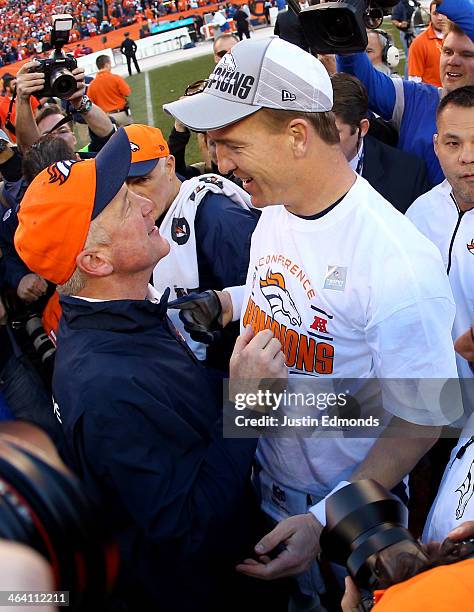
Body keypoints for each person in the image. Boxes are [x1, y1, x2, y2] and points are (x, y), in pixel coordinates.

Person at [164, 37, 460, 605]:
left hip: (343, 522)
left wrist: (323, 518)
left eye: (231, 144)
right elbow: (291, 304)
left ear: (297, 135)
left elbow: (425, 417)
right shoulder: (274, 211)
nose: (219, 163)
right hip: (266, 483)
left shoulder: (394, 259)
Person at [13, 127, 289, 612]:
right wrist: (249, 406)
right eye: (123, 203)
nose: (145, 205)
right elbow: (188, 526)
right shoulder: (106, 384)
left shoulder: (123, 318)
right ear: (95, 261)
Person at [124, 123, 258, 365]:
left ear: (169, 166)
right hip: (191, 366)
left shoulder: (218, 217)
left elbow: (264, 298)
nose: (135, 195)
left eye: (143, 179)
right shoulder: (150, 216)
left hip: (232, 369)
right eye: (125, 184)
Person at [406, 86, 474, 542]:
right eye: (453, 143)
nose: (467, 157)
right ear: (436, 146)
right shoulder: (418, 215)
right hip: (427, 406)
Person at [338, 0, 474, 185]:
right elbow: (360, 81)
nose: (453, 61)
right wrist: (347, 21)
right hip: (411, 212)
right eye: (448, 52)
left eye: (467, 55)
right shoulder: (414, 98)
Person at [331, 72, 431, 213]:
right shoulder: (295, 166)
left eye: (334, 133)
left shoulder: (408, 175)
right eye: (317, 130)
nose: (321, 141)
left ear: (362, 128)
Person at [14, 59, 115, 151]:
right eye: (47, 136)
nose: (57, 139)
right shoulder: (41, 167)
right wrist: (22, 99)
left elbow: (108, 135)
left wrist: (80, 102)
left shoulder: (90, 159)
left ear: (73, 137)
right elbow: (29, 150)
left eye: (62, 131)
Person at [408, 0, 448, 87]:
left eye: (443, 13)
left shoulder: (459, 39)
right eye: (435, 14)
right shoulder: (419, 43)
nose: (440, 17)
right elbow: (414, 81)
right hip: (432, 97)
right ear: (430, 15)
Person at [87, 55, 133, 127]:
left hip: (105, 118)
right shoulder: (116, 78)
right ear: (107, 64)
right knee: (129, 136)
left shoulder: (92, 85)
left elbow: (91, 103)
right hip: (121, 114)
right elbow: (127, 92)